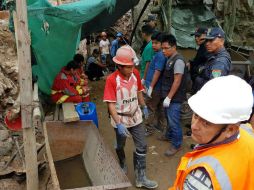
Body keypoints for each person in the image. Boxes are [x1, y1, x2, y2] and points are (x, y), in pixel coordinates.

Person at [169, 75, 254, 190]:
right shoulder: (247, 133)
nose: (194, 126)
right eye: (196, 115)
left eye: (206, 123)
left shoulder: (201, 179)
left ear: (230, 129)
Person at [103, 46, 158, 189]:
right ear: (119, 66)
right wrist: (119, 123)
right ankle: (122, 160)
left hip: (135, 116)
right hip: (120, 118)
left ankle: (141, 178)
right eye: (128, 66)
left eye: (132, 65)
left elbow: (139, 91)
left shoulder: (136, 75)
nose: (132, 68)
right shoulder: (111, 80)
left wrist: (144, 106)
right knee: (120, 145)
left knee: (142, 145)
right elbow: (111, 104)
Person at [160, 34, 187, 156]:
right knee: (169, 118)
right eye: (162, 48)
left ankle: (177, 144)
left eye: (166, 48)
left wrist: (169, 97)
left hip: (175, 98)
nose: (163, 51)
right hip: (168, 96)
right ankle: (169, 136)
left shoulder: (178, 61)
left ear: (174, 47)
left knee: (174, 121)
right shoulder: (170, 58)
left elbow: (177, 80)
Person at [144, 32, 167, 136]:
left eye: (156, 43)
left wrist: (151, 87)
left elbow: (157, 72)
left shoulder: (161, 56)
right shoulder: (158, 54)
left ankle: (149, 129)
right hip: (156, 88)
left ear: (162, 44)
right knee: (158, 108)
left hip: (155, 88)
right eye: (152, 43)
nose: (153, 45)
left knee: (150, 108)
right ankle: (160, 126)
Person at [194, 27, 231, 91]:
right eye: (206, 40)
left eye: (211, 40)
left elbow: (214, 87)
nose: (207, 44)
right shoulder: (214, 55)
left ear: (222, 41)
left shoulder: (220, 62)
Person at [189, 27, 210, 94]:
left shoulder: (207, 48)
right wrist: (191, 62)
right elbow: (198, 60)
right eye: (195, 36)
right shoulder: (202, 47)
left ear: (205, 35)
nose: (196, 38)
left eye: (198, 36)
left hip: (202, 83)